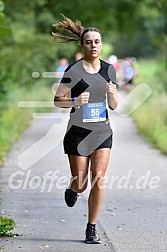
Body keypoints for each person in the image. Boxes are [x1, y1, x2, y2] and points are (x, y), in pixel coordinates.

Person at [52, 15, 118, 244]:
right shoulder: (73, 70)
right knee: (81, 182)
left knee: (98, 180)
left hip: (102, 132)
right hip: (78, 132)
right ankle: (73, 189)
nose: (94, 45)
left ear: (102, 44)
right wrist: (75, 103)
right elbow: (58, 100)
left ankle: (91, 228)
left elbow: (114, 105)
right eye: (89, 42)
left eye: (97, 41)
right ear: (82, 45)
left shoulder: (109, 70)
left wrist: (112, 94)